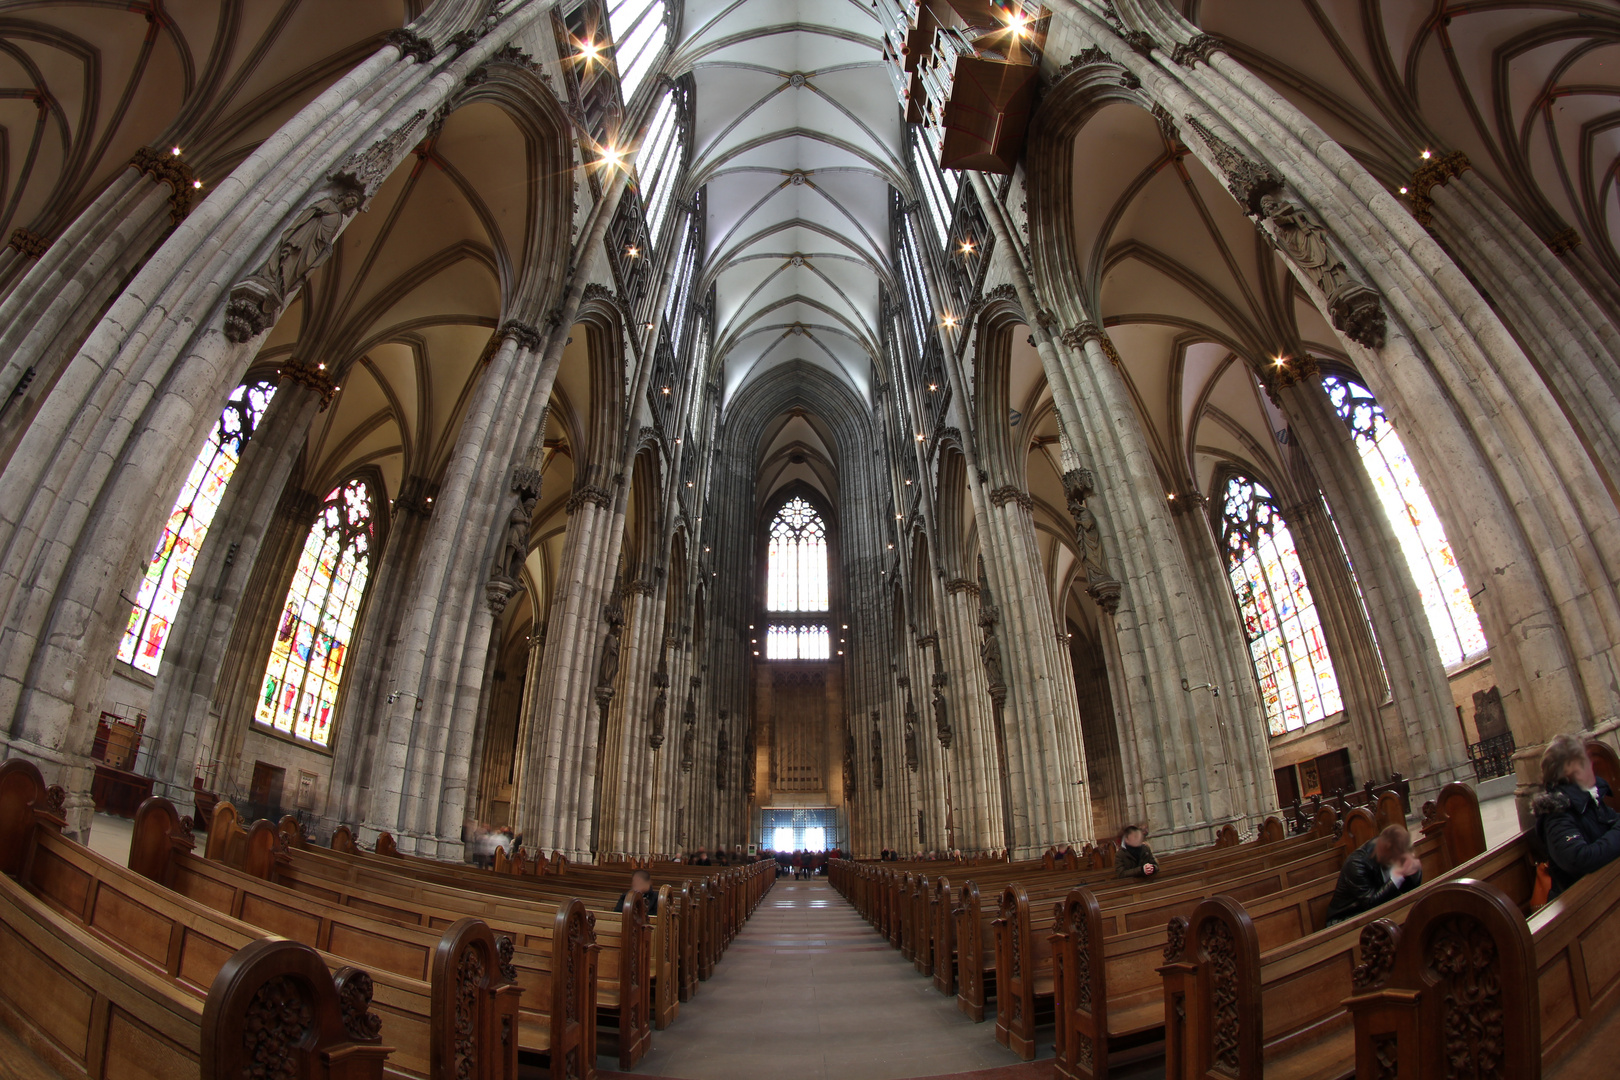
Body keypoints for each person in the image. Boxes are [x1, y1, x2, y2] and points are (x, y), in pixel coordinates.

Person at [1532, 733, 1620, 899]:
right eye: (1584, 760)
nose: (1591, 764)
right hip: (1582, 905)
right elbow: (1580, 859)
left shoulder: (1588, 799)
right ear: (1568, 770)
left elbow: (1613, 824)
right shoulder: (1556, 814)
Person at [1325, 825, 1423, 926]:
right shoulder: (1356, 864)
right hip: (1346, 920)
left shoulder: (1392, 850)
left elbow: (1410, 889)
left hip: (1376, 915)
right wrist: (1397, 876)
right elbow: (1370, 905)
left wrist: (1414, 870)